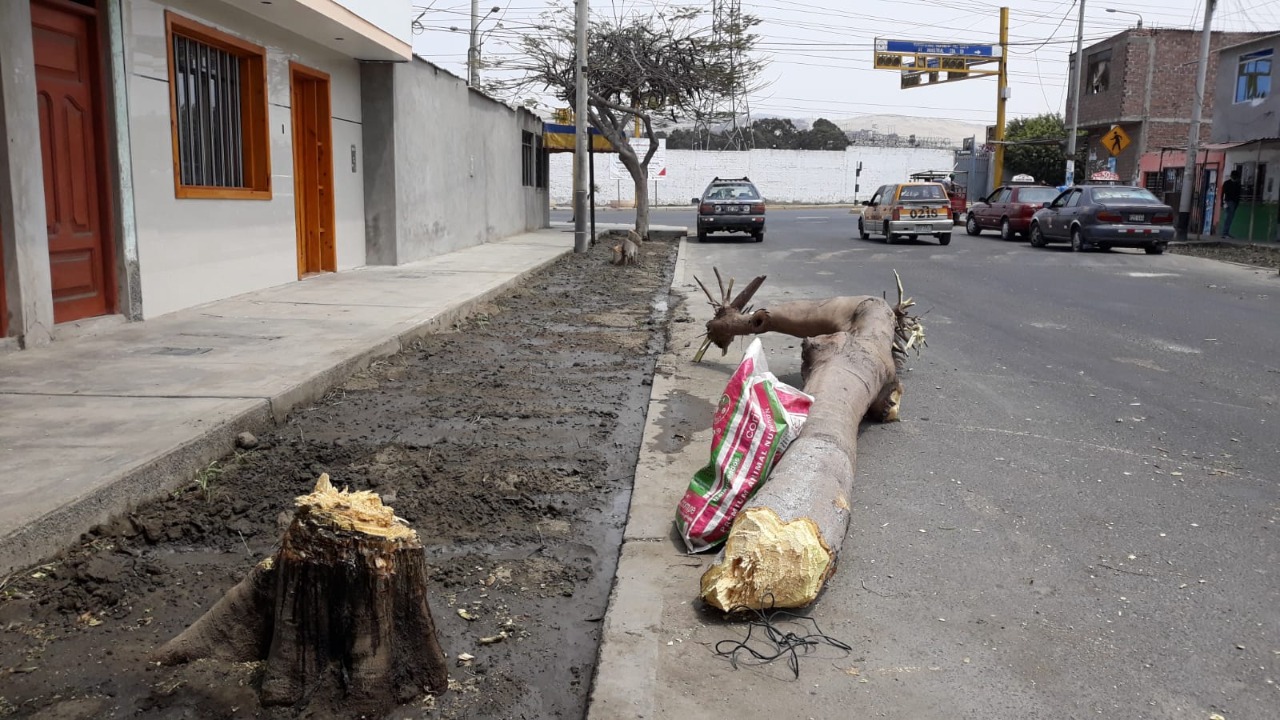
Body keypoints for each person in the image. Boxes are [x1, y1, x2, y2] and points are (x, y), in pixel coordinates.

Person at [1220, 170, 1242, 239]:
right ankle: (1225, 233)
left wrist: (1222, 202)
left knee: (1228, 218)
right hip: (1231, 202)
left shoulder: (1226, 183)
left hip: (1227, 202)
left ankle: (1226, 232)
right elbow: (1238, 195)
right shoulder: (1237, 184)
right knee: (1229, 218)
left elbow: (1222, 193)